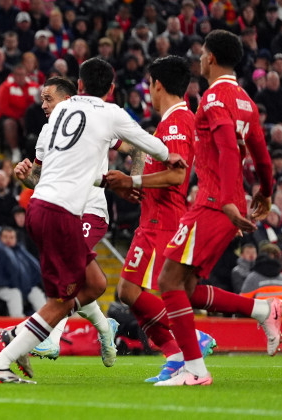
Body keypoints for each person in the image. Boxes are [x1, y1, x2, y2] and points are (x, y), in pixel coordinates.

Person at [0, 59, 185, 384]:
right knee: (63, 300)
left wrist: (30, 178)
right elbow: (150, 146)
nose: (45, 104)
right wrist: (168, 158)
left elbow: (54, 170)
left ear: (77, 86)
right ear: (111, 89)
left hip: (40, 208)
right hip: (63, 213)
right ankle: (6, 356)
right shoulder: (110, 113)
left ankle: (30, 338)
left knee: (95, 284)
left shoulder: (57, 116)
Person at [154, 30, 282, 387]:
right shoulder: (246, 101)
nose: (199, 59)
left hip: (214, 204)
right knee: (189, 287)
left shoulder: (212, 99)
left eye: (202, 54)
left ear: (209, 58)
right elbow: (261, 154)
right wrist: (267, 192)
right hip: (224, 204)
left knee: (167, 281)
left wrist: (227, 200)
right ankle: (262, 309)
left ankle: (195, 369)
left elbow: (228, 148)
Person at [104, 55, 220, 383]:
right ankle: (175, 353)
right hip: (150, 217)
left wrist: (133, 181)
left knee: (168, 290)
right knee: (127, 290)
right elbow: (148, 156)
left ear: (158, 84)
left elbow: (175, 176)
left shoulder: (179, 120)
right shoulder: (168, 122)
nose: (149, 93)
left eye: (149, 86)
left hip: (165, 219)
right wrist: (129, 169)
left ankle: (190, 341)